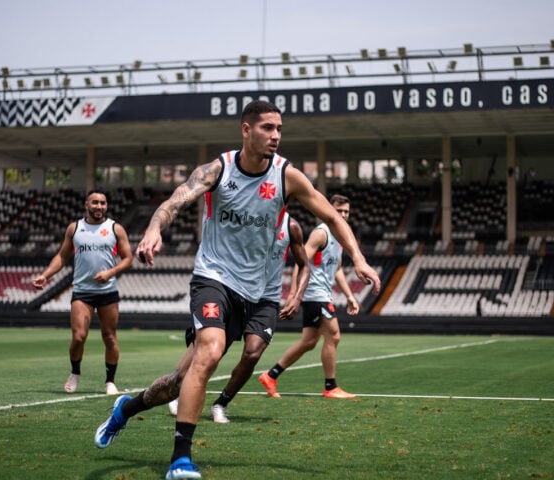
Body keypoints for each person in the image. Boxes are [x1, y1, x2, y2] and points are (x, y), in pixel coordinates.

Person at [93, 100, 381, 480]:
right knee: (209, 352)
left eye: (279, 128)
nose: (275, 135)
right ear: (246, 130)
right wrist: (153, 229)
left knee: (181, 381)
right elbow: (175, 200)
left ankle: (125, 410)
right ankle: (181, 460)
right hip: (214, 278)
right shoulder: (218, 169)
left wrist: (358, 258)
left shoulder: (286, 176)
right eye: (266, 128)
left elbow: (329, 215)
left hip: (260, 293)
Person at [168, 212, 310, 423]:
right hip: (237, 292)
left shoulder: (292, 227)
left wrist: (296, 298)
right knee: (214, 349)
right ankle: (177, 386)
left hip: (266, 300)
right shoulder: (248, 216)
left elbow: (305, 265)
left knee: (252, 354)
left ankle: (221, 404)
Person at [259, 194, 363, 399]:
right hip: (314, 294)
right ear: (329, 210)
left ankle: (270, 376)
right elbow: (301, 261)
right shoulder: (322, 233)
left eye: (346, 212)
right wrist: (294, 295)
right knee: (334, 336)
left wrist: (350, 296)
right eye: (339, 210)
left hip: (322, 294)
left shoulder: (340, 237)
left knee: (308, 342)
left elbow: (338, 269)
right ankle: (331, 387)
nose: (343, 215)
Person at [33, 189, 133, 395]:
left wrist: (110, 272)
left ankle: (110, 381)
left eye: (103, 203)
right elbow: (62, 257)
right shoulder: (75, 228)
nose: (99, 206)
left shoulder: (115, 228)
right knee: (79, 337)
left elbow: (128, 258)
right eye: (95, 202)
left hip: (107, 291)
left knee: (110, 337)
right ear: (86, 204)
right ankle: (75, 373)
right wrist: (46, 275)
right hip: (82, 290)